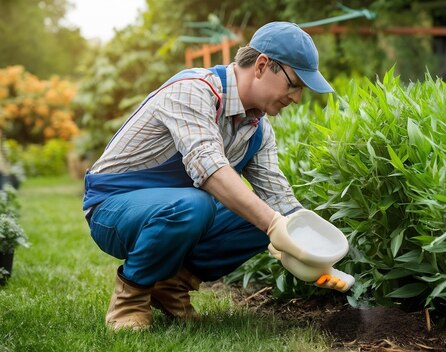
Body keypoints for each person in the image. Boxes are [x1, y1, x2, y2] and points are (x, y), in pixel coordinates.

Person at [82, 21, 352, 331]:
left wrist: (315, 258)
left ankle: (170, 287)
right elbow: (208, 168)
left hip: (178, 209)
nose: (296, 98)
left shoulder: (258, 130)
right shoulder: (194, 89)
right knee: (201, 207)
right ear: (263, 65)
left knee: (272, 216)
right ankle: (131, 297)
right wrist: (274, 224)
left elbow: (281, 202)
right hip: (113, 208)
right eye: (294, 84)